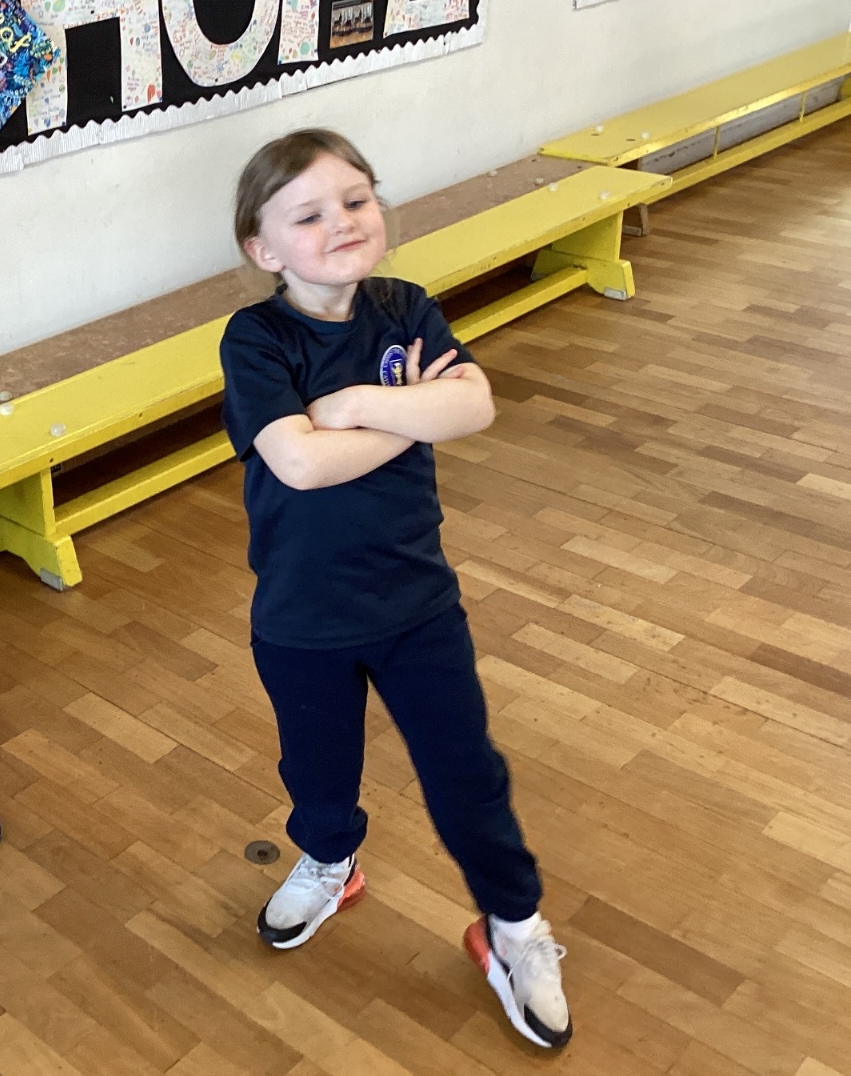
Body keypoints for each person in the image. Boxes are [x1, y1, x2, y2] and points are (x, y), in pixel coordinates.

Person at [218, 131, 571, 1049]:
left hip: (418, 606)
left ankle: (512, 925)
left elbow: (474, 404)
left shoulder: (406, 306)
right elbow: (297, 464)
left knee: (467, 774)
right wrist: (413, 416)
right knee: (318, 771)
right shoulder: (255, 338)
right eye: (308, 214)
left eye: (356, 199)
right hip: (300, 619)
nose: (341, 221)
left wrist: (352, 407)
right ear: (264, 249)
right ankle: (331, 862)